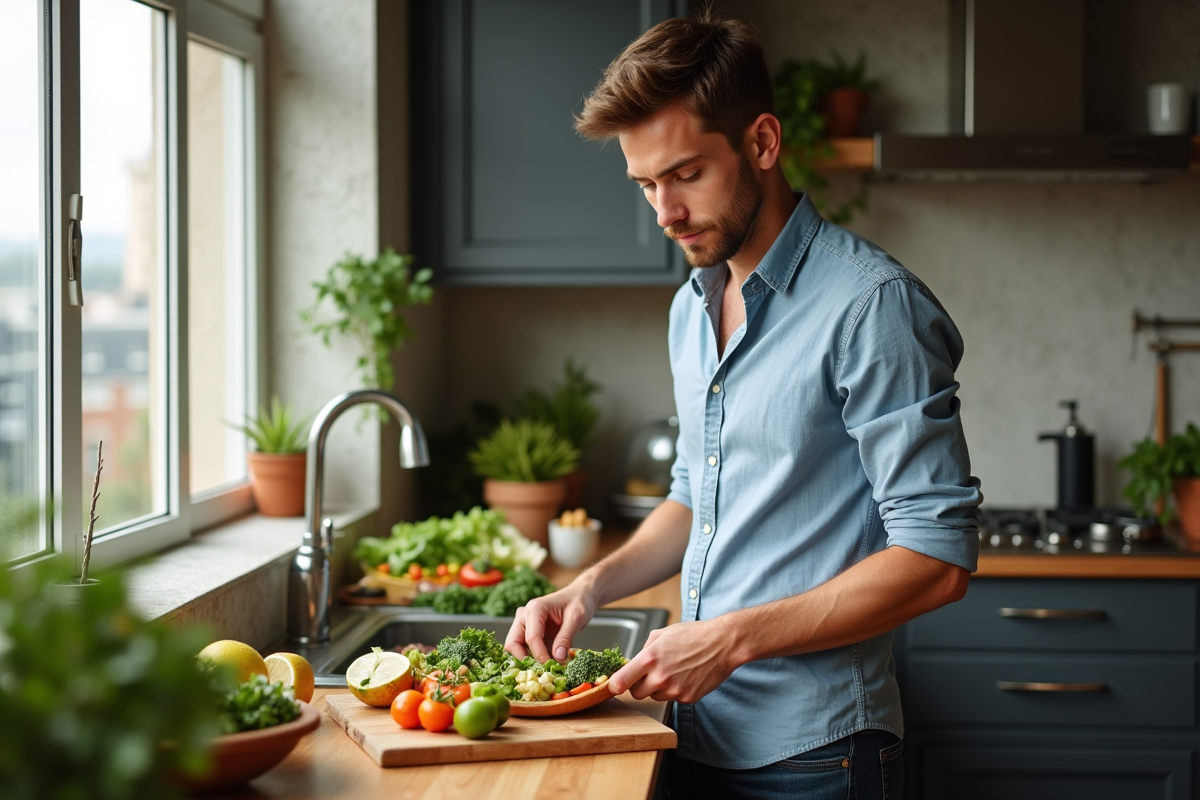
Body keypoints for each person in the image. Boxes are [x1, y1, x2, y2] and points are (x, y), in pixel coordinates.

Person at [505, 12, 982, 800]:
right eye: (646, 183)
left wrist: (727, 641)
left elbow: (937, 561)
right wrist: (589, 587)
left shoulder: (871, 307)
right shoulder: (693, 305)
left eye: (686, 173)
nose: (664, 212)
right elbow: (697, 495)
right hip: (697, 736)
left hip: (818, 757)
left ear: (762, 143)